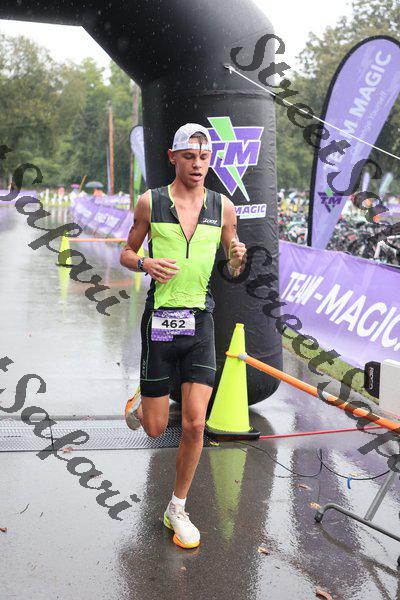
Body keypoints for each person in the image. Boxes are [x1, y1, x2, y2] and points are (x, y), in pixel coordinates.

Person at [119, 123, 246, 549]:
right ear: (172, 157)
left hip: (200, 322)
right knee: (156, 429)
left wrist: (237, 259)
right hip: (160, 321)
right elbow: (126, 252)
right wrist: (145, 264)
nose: (197, 164)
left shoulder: (223, 207)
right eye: (189, 156)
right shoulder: (150, 202)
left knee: (194, 423)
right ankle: (142, 404)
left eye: (204, 157)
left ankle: (177, 506)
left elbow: (231, 268)